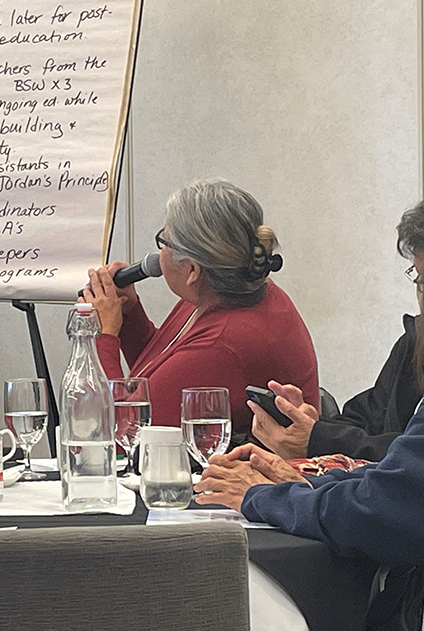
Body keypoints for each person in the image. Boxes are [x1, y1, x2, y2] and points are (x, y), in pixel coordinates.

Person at [198, 181, 424, 631]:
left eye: (423, 281)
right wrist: (310, 479)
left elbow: (388, 512)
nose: (422, 300)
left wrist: (260, 496)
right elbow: (420, 475)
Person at [251, 168, 424, 462]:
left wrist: (318, 441)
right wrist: (311, 427)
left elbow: (421, 457)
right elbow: (365, 420)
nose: (422, 294)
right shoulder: (417, 340)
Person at [81, 178, 319, 444]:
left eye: (165, 241)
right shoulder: (220, 293)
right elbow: (163, 378)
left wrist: (104, 335)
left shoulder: (224, 343)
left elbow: (125, 433)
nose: (157, 255)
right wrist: (128, 314)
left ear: (193, 270)